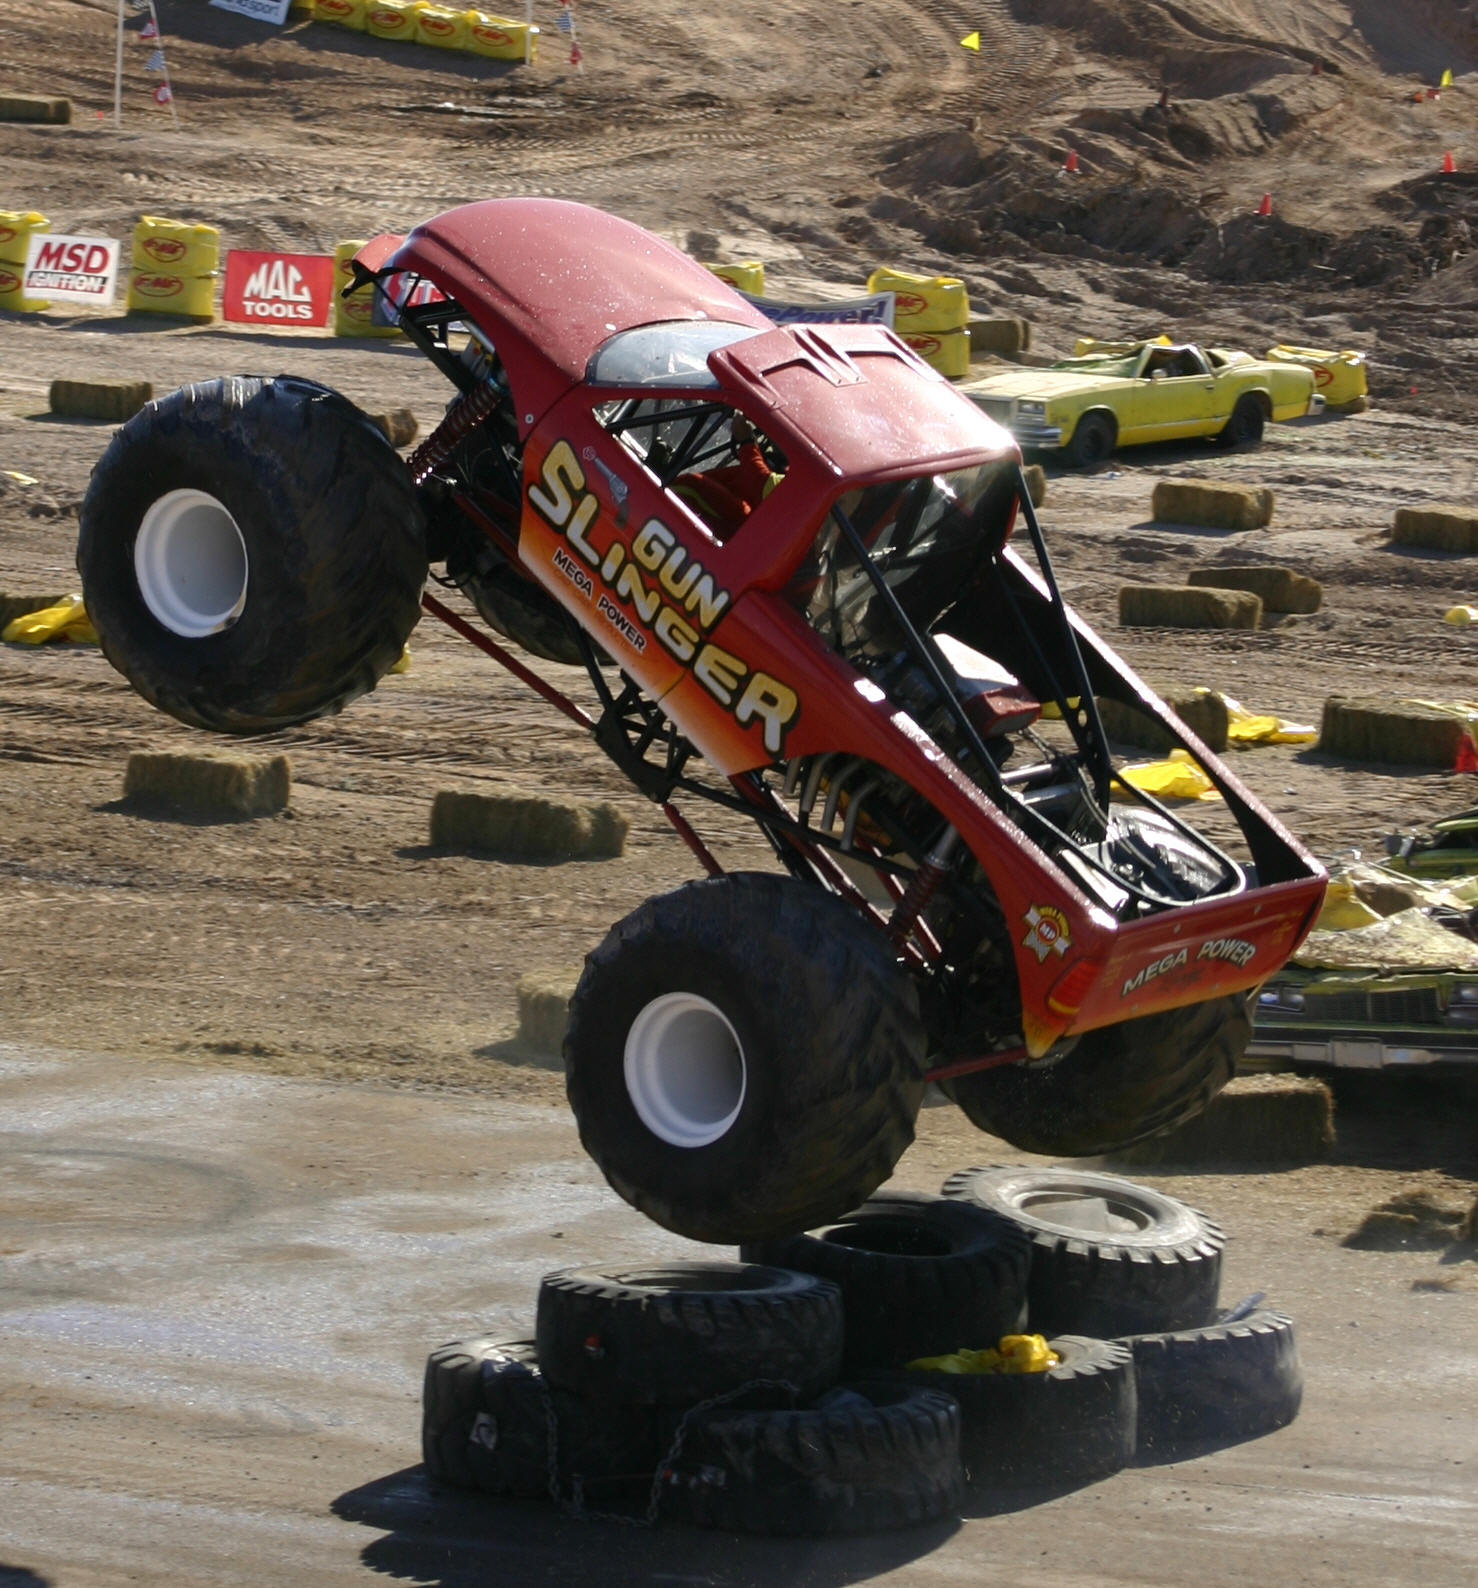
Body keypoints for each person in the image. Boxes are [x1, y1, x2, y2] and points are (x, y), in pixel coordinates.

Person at [671, 416, 781, 540]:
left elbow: (760, 482)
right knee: (734, 477)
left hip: (746, 531)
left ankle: (651, 503)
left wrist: (746, 441)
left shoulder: (802, 488)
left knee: (689, 484)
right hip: (756, 523)